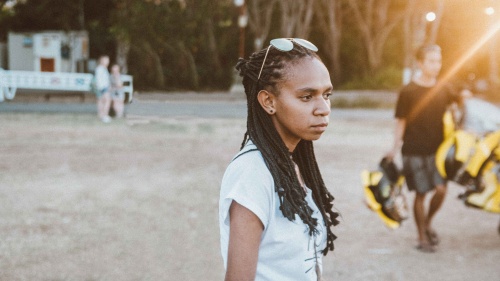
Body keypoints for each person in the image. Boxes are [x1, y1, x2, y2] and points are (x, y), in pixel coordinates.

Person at [219, 38, 340, 281]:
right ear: (269, 102)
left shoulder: (291, 163)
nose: (323, 108)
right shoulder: (252, 174)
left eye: (326, 94)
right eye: (307, 97)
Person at [386, 44, 461, 253]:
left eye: (438, 61)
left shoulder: (445, 87)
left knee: (441, 189)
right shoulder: (408, 91)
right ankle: (421, 237)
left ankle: (427, 223)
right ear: (420, 63)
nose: (436, 65)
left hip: (439, 151)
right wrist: (394, 147)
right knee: (420, 193)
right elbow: (401, 121)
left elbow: (458, 105)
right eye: (431, 61)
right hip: (413, 150)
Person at [95, 55, 112, 123]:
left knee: (102, 101)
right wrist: (101, 88)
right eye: (106, 60)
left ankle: (102, 115)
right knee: (106, 101)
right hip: (103, 88)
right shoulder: (100, 69)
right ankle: (104, 115)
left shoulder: (103, 68)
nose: (107, 62)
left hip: (103, 87)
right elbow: (99, 80)